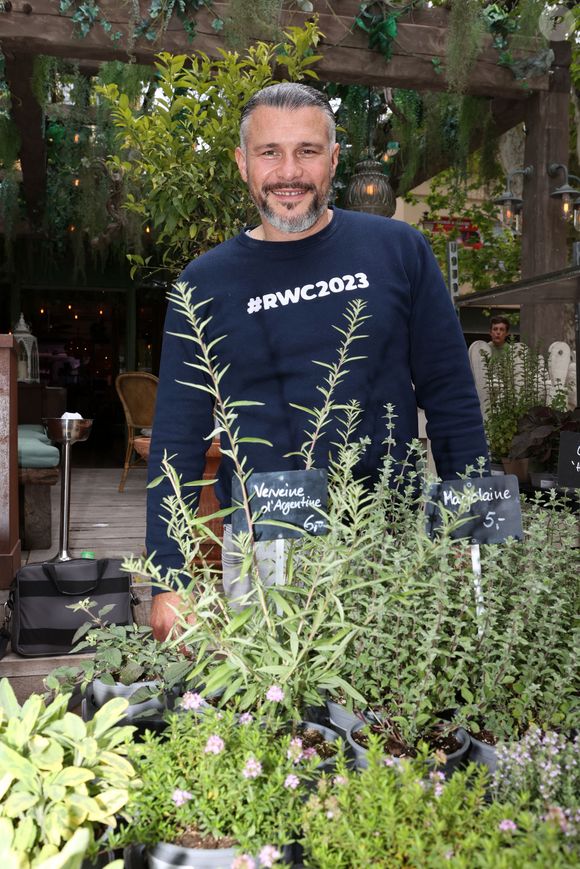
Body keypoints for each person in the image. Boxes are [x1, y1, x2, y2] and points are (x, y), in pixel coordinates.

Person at [146, 82, 489, 640]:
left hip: (388, 535)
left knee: (396, 713)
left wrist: (469, 528)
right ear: (242, 163)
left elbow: (450, 394)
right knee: (272, 716)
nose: (289, 172)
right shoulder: (204, 283)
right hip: (266, 546)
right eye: (269, 152)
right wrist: (168, 578)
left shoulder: (398, 250)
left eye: (307, 151)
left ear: (333, 160)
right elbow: (177, 437)